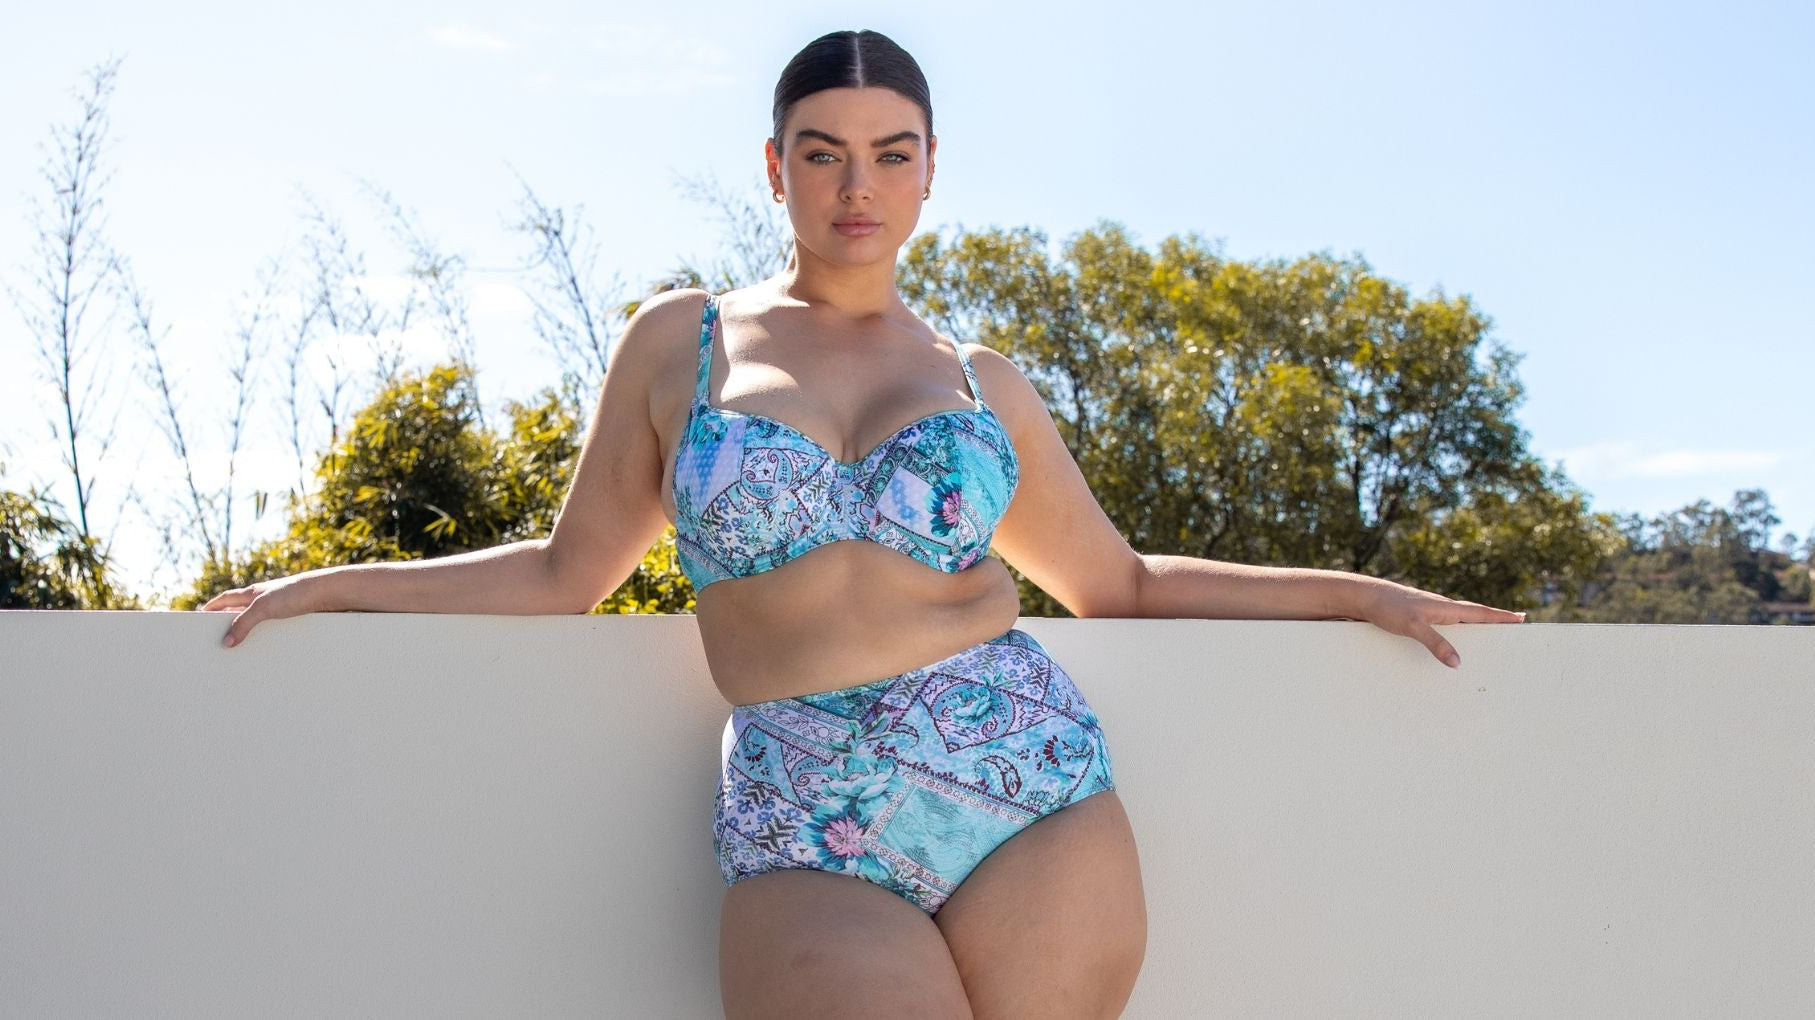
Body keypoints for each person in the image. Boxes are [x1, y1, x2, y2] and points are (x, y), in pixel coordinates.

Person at [205, 28, 1527, 1019]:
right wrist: (337, 583)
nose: (859, 184)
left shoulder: (978, 380)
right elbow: (566, 572)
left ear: (930, 171)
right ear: (776, 168)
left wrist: (1358, 593)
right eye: (825, 153)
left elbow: (1117, 584)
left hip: (1030, 793)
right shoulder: (683, 344)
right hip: (800, 804)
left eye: (893, 153)